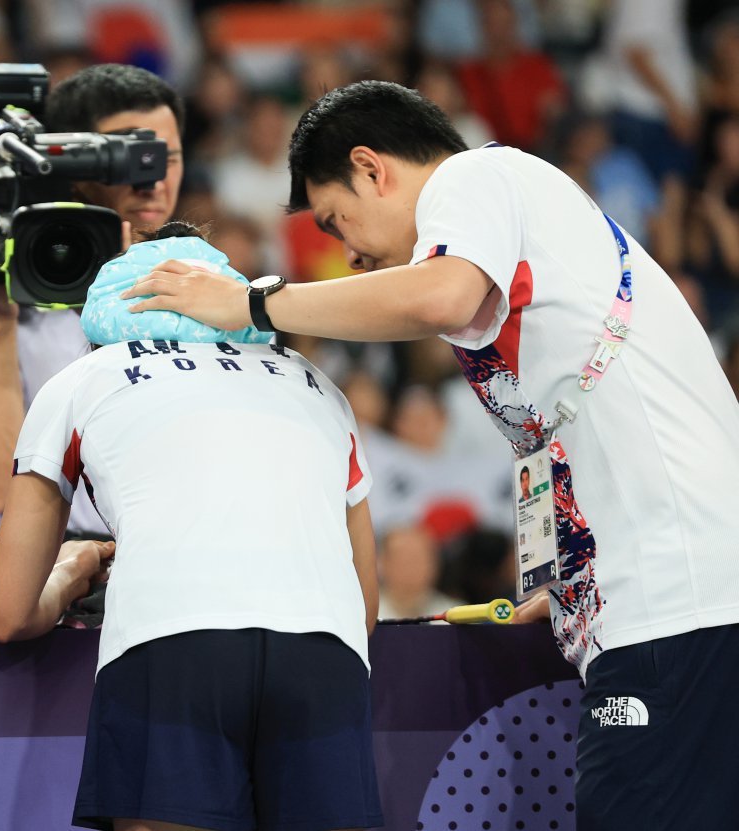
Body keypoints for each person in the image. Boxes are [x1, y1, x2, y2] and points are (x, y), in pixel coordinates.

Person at [122, 80, 739, 829]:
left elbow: (439, 296)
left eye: (336, 220)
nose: (348, 254)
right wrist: (576, 571)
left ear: (373, 167)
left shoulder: (475, 176)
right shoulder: (518, 215)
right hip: (666, 598)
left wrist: (253, 302)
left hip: (680, 601)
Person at [0, 224, 382, 831]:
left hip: (168, 643)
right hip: (324, 654)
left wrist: (73, 572)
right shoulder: (315, 381)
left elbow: (10, 614)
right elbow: (365, 604)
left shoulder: (80, 380)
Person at [0, 63, 184, 533]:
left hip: (164, 557)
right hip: (46, 574)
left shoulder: (204, 284)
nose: (150, 180)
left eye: (164, 157)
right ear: (68, 161)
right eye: (126, 156)